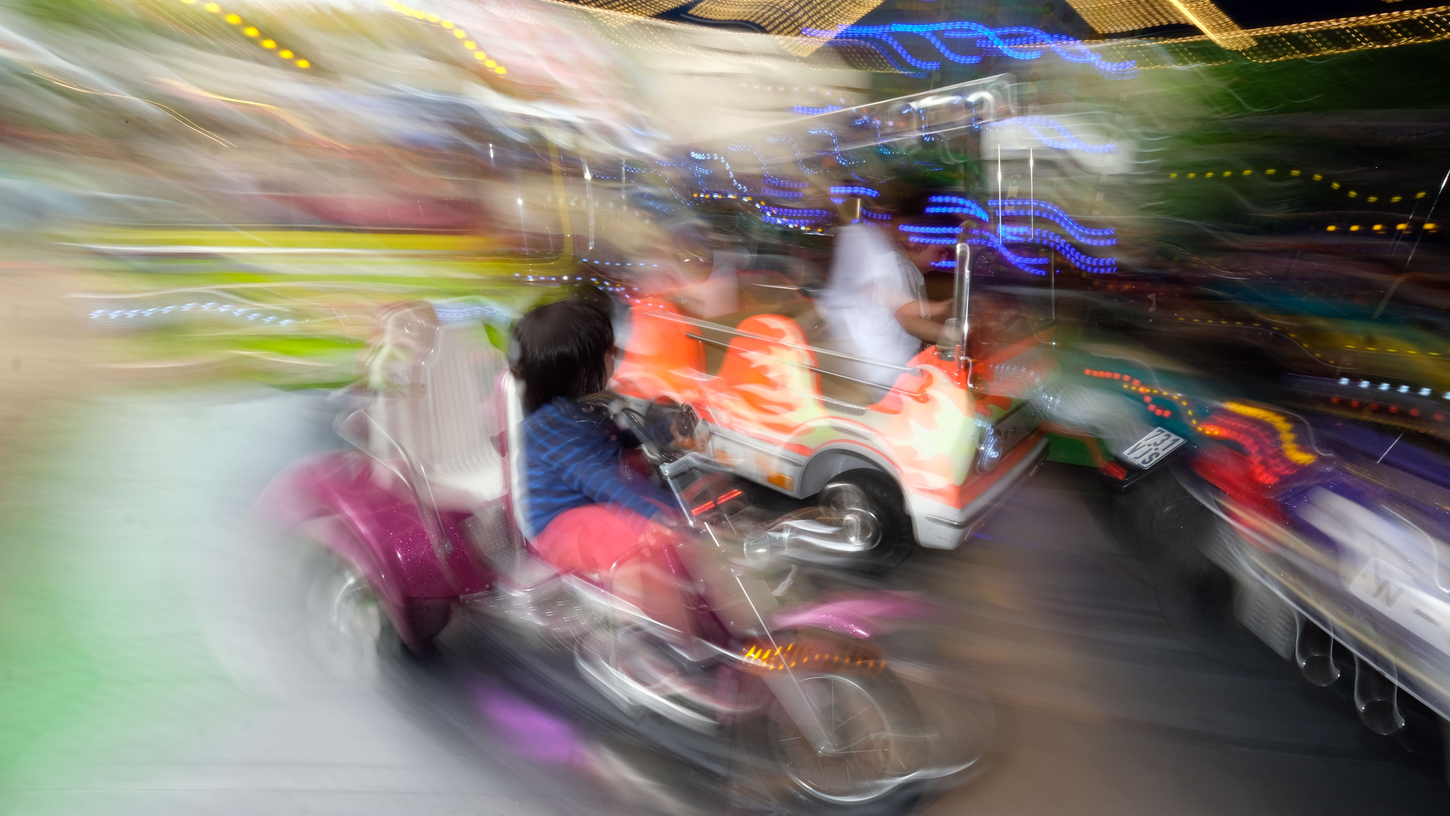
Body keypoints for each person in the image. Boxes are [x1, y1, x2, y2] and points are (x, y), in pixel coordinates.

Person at [513, 298, 690, 635]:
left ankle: (684, 598)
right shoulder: (551, 428)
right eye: (609, 353)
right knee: (633, 540)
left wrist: (660, 430)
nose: (617, 355)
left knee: (680, 519)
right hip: (559, 522)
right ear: (582, 369)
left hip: (596, 504)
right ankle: (639, 633)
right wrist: (651, 516)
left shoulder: (588, 403)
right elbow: (599, 479)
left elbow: (623, 437)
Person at [820, 189, 956, 396]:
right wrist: (955, 334)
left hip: (889, 373)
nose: (944, 256)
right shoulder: (895, 263)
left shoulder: (909, 270)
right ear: (917, 241)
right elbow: (910, 321)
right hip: (888, 376)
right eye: (941, 248)